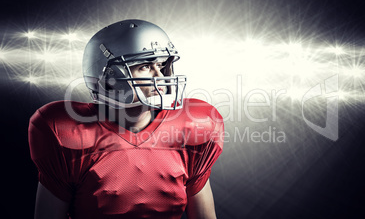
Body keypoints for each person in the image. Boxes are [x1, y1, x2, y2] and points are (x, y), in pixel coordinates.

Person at [29, 19, 224, 219]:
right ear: (109, 77)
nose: (160, 77)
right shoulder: (67, 132)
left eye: (161, 65)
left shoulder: (192, 127)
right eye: (146, 66)